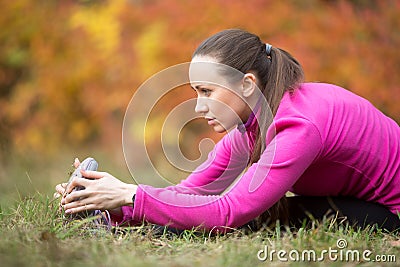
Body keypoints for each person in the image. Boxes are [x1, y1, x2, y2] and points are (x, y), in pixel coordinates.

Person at [55, 29, 400, 233]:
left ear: (248, 84)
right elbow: (191, 194)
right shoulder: (250, 128)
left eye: (207, 92)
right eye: (195, 93)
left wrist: (130, 196)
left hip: (389, 212)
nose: (198, 106)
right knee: (238, 215)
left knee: (252, 218)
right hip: (353, 201)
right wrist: (108, 204)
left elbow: (226, 212)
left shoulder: (298, 125)